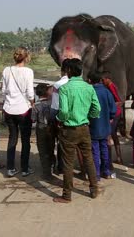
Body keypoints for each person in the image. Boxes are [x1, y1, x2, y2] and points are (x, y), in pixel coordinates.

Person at [54, 59, 100, 203]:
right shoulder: (89, 87)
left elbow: (64, 112)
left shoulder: (65, 89)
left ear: (68, 71)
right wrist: (88, 116)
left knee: (68, 162)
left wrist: (60, 119)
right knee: (88, 159)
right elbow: (97, 109)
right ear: (81, 71)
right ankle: (94, 189)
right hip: (84, 127)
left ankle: (67, 195)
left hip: (69, 129)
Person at [1, 47, 35, 177]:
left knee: (12, 138)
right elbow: (30, 93)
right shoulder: (28, 71)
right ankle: (25, 168)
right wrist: (32, 103)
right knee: (25, 140)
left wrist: (9, 100)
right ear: (26, 57)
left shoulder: (6, 70)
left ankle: (10, 168)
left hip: (9, 109)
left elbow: (3, 91)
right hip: (23, 110)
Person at [88, 71, 117, 180]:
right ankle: (106, 171)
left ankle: (96, 175)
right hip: (105, 125)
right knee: (104, 148)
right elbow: (113, 109)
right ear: (100, 79)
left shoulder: (89, 92)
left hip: (93, 125)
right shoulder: (106, 92)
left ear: (90, 80)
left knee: (95, 150)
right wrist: (110, 117)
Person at [50, 59, 70, 175]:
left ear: (63, 71)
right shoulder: (83, 84)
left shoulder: (58, 85)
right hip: (79, 119)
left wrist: (53, 120)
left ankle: (62, 167)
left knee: (61, 144)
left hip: (61, 119)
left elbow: (55, 106)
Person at [32, 83, 55, 180]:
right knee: (51, 148)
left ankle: (46, 172)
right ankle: (53, 166)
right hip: (51, 128)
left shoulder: (36, 106)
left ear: (37, 94)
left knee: (42, 150)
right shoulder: (52, 103)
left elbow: (33, 119)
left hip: (40, 128)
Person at [101, 71, 124, 166]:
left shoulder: (111, 87)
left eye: (103, 80)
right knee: (113, 135)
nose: (102, 82)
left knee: (109, 136)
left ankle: (109, 162)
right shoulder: (110, 86)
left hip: (114, 113)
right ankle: (119, 157)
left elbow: (119, 101)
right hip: (116, 113)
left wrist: (109, 105)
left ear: (107, 79)